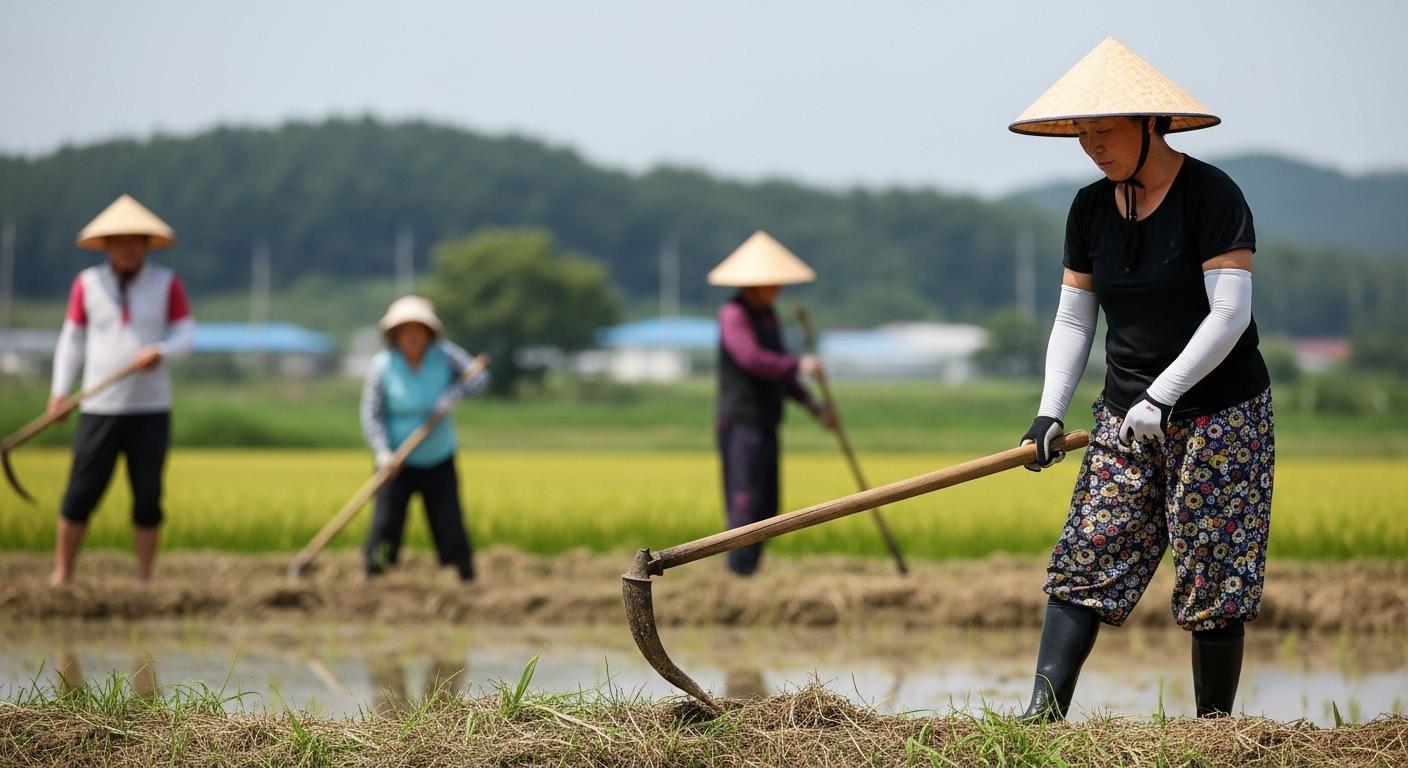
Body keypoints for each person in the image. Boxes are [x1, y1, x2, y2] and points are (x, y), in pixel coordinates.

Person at [1009, 37, 1274, 720]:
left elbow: (1229, 314)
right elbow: (1075, 319)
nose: (1092, 145)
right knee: (1087, 553)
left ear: (1151, 122)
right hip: (1123, 415)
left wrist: (1165, 394)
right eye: (1082, 132)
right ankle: (1040, 720)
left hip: (1220, 417)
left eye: (1105, 129)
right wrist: (1049, 412)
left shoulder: (1211, 196)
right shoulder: (1089, 208)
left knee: (1214, 574)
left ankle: (1214, 732)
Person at [48, 194, 195, 586]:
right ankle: (63, 574)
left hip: (150, 408)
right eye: (120, 241)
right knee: (80, 492)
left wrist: (160, 351)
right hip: (99, 405)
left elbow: (186, 336)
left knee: (148, 497)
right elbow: (72, 340)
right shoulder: (87, 284)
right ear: (107, 245)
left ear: (146, 244)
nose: (128, 248)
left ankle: (144, 579)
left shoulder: (166, 283)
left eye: (135, 241)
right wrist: (60, 392)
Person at [708, 231, 833, 576]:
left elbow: (780, 371)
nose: (778, 288)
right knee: (745, 502)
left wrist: (813, 405)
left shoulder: (768, 316)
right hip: (741, 421)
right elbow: (751, 358)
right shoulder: (733, 314)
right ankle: (737, 575)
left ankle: (751, 573)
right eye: (772, 282)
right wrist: (799, 364)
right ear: (755, 283)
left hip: (766, 420)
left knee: (767, 506)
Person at [360, 295, 488, 582]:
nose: (412, 336)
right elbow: (372, 413)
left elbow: (479, 378)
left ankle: (464, 580)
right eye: (405, 330)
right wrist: (383, 452)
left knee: (449, 523)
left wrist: (454, 395)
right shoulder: (382, 365)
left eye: (418, 329)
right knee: (386, 523)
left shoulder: (445, 355)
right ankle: (375, 578)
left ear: (429, 332)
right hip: (396, 462)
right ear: (395, 334)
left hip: (438, 456)